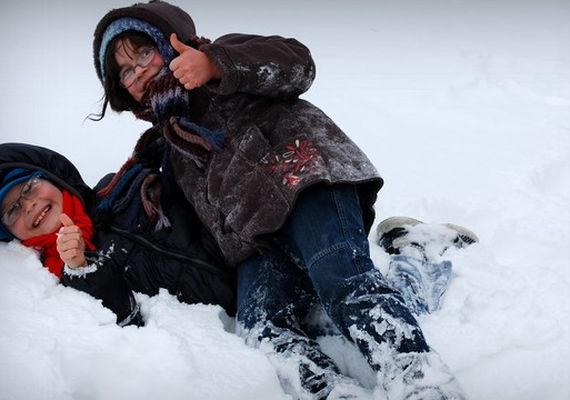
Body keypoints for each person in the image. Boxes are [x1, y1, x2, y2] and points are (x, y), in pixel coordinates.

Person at [91, 1, 471, 398]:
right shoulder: (170, 146)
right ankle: (332, 392)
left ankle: (418, 379)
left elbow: (297, 64)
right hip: (257, 243)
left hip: (305, 184)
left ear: (170, 41)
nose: (139, 72)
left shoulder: (223, 65)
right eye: (127, 72)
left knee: (342, 282)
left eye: (144, 53)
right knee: (260, 329)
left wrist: (217, 64)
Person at [0, 142, 236, 327]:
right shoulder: (58, 283)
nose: (28, 205)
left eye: (29, 186)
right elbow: (130, 328)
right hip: (219, 338)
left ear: (52, 178)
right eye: (12, 211)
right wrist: (82, 268)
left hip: (246, 258)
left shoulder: (118, 188)